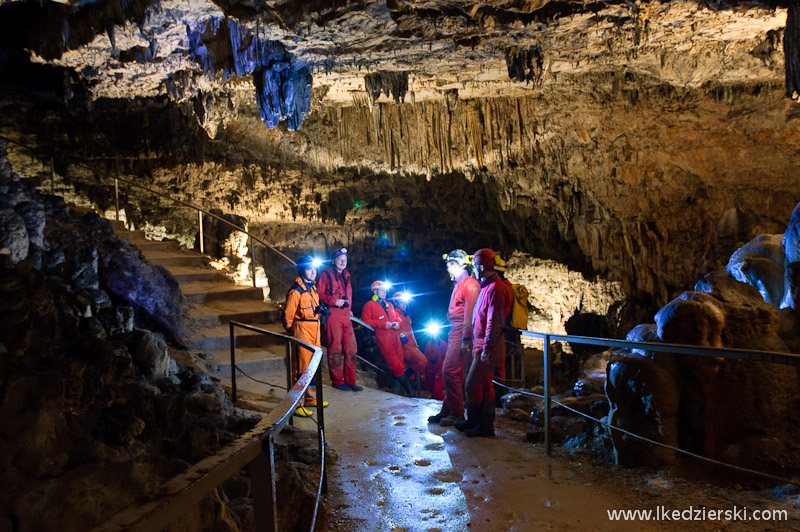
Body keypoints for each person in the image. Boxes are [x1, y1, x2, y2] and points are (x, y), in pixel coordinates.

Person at [456, 248, 511, 436]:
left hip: (489, 347)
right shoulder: (486, 287)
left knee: (471, 384)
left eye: (475, 267)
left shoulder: (496, 289)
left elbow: (494, 322)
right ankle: (480, 424)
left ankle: (480, 423)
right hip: (481, 345)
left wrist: (487, 348)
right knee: (485, 385)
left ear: (480, 266)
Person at [428, 249, 480, 426]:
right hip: (454, 331)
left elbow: (469, 314)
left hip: (460, 332)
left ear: (456, 265)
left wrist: (466, 339)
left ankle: (457, 413)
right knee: (452, 372)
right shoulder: (460, 283)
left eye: (449, 266)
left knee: (450, 372)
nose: (447, 270)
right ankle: (448, 410)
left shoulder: (469, 284)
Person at [282, 256, 328, 417]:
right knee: (300, 369)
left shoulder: (312, 288)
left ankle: (310, 398)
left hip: (315, 329)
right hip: (302, 329)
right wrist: (294, 332)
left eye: (314, 269)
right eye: (309, 269)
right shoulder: (296, 291)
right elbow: (287, 316)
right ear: (302, 270)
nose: (313, 272)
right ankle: (297, 404)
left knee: (313, 367)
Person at [317, 248, 362, 391]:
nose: (343, 262)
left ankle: (351, 380)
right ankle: (337, 381)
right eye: (339, 259)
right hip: (333, 315)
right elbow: (318, 293)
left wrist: (349, 310)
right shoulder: (326, 275)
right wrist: (333, 301)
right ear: (333, 261)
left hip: (345, 316)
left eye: (345, 260)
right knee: (335, 348)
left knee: (351, 348)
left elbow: (347, 294)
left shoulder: (346, 275)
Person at [361, 280, 414, 396]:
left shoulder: (389, 305)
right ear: (375, 291)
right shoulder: (369, 305)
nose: (384, 292)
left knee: (400, 363)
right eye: (382, 290)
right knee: (396, 365)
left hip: (396, 337)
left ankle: (398, 393)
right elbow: (365, 320)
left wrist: (397, 323)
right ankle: (410, 392)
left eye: (385, 290)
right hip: (384, 339)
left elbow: (398, 318)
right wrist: (383, 324)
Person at [391, 291, 429, 389]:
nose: (404, 305)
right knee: (423, 361)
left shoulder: (406, 314)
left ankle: (404, 385)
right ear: (396, 303)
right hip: (405, 346)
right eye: (402, 302)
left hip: (412, 344)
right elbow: (394, 327)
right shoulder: (394, 313)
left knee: (408, 370)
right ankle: (404, 377)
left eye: (405, 302)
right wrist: (401, 336)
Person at [493, 255, 516, 405]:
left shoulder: (502, 288)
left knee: (499, 368)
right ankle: (499, 397)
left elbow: (499, 313)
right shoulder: (507, 286)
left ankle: (499, 399)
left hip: (500, 333)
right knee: (502, 367)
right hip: (505, 331)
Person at [422, 328, 447, 400]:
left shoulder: (444, 344)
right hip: (429, 372)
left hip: (438, 373)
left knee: (437, 392)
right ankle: (434, 409)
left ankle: (442, 408)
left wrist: (439, 373)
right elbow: (425, 358)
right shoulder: (428, 344)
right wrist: (423, 373)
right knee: (432, 392)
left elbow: (444, 360)